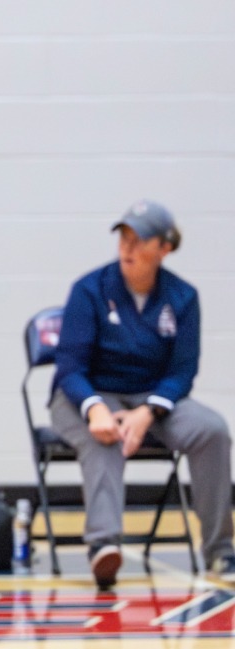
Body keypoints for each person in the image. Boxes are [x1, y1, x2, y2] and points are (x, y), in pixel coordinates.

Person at [48, 200, 223, 586]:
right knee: (104, 435)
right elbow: (70, 368)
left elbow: (182, 372)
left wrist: (148, 412)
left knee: (212, 431)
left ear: (165, 248)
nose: (127, 247)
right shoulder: (90, 289)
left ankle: (220, 550)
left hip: (154, 398)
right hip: (85, 394)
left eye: (139, 239)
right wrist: (95, 408)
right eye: (123, 238)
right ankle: (104, 546)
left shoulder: (183, 297)